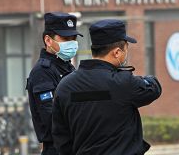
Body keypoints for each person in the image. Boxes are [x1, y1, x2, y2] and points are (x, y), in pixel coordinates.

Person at [52, 19, 162, 155]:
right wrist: (146, 79)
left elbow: (61, 138)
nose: (126, 54)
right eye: (126, 49)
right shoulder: (123, 83)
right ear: (117, 52)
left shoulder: (65, 86)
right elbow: (154, 88)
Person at [26, 12, 83, 155]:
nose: (71, 42)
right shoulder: (42, 72)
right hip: (57, 149)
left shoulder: (67, 67)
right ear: (48, 40)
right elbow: (51, 118)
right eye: (65, 38)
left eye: (73, 38)